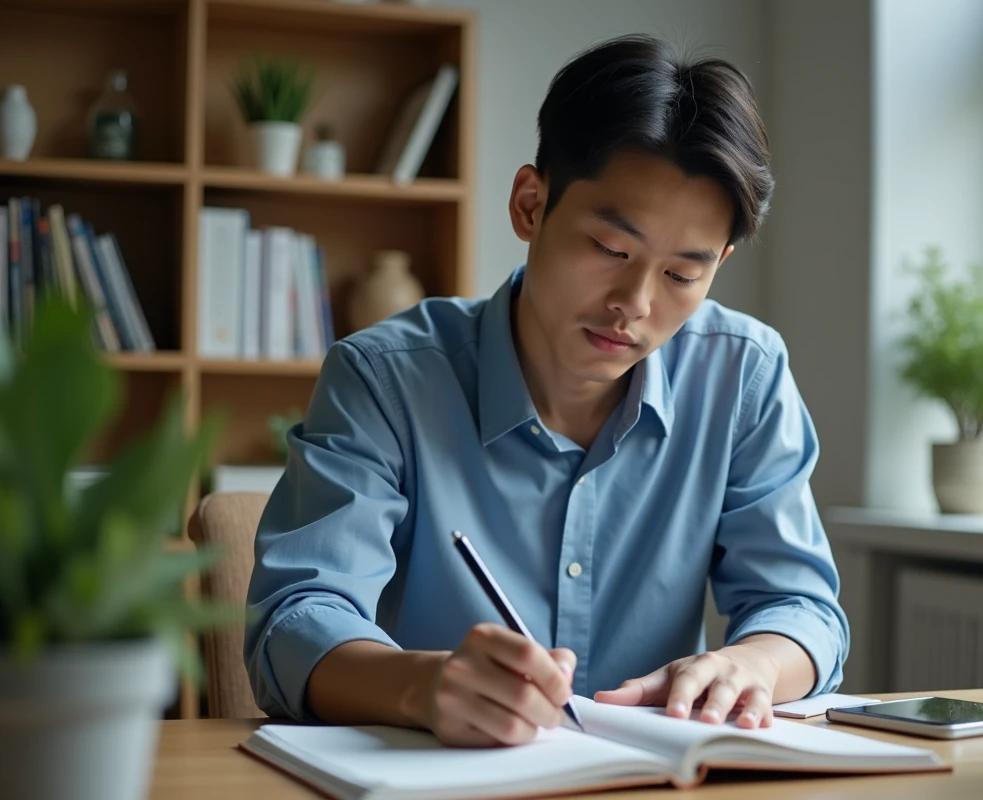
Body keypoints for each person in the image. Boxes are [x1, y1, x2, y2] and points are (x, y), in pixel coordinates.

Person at [244, 33, 849, 748]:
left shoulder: (742, 376)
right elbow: (296, 618)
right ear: (530, 205)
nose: (635, 304)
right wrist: (422, 687)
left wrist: (748, 663)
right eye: (609, 250)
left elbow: (801, 608)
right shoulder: (385, 380)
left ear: (720, 261)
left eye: (682, 276)